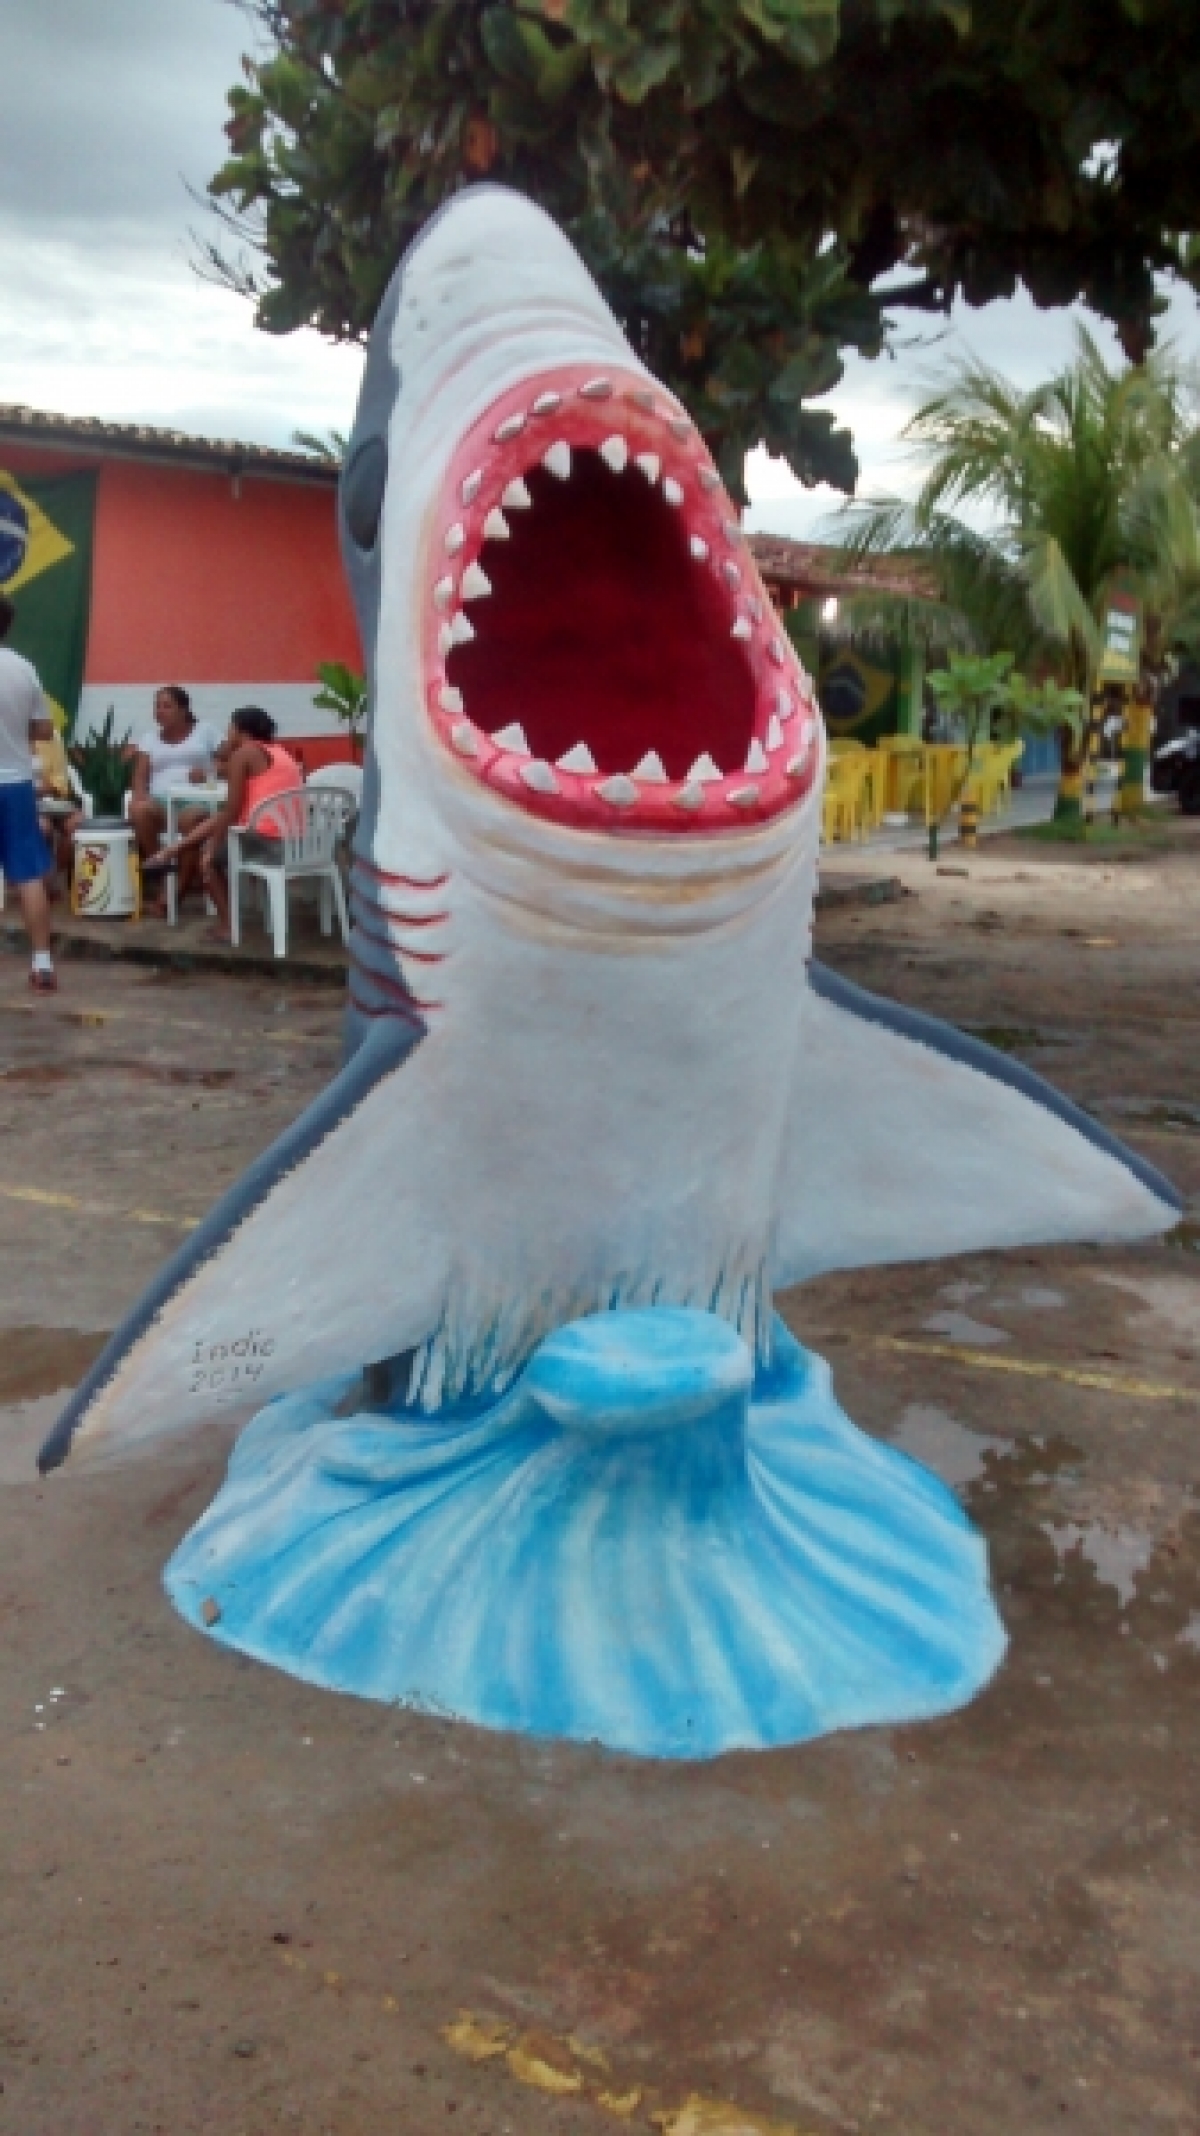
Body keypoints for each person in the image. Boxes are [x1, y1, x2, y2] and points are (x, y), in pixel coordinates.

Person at [146, 706, 302, 942]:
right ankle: (170, 851)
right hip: (296, 845)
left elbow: (230, 810)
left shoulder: (244, 754)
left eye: (231, 727)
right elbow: (228, 811)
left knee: (208, 860)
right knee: (215, 828)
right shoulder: (280, 752)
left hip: (268, 843)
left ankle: (228, 925)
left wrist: (211, 848)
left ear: (240, 730)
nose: (227, 732)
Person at [0, 594, 58, 991]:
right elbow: (44, 730)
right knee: (28, 875)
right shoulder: (23, 669)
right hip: (15, 783)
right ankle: (42, 963)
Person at [128, 685, 220, 869]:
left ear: (183, 710)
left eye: (166, 706)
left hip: (197, 800)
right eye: (157, 706)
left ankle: (179, 888)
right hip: (161, 803)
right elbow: (139, 776)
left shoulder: (205, 731)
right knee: (139, 810)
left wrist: (209, 772)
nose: (160, 711)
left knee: (191, 820)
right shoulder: (149, 739)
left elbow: (231, 760)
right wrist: (139, 795)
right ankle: (162, 866)